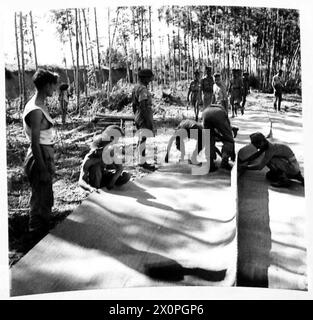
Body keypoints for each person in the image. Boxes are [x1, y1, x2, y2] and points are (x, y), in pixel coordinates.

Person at [23, 68, 59, 237]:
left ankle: (43, 233)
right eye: (53, 85)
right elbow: (35, 142)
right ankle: (36, 236)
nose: (55, 89)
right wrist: (43, 168)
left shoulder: (39, 105)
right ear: (46, 85)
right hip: (39, 157)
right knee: (39, 200)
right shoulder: (36, 110)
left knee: (45, 197)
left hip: (44, 155)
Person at [165, 118, 238, 169]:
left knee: (207, 141)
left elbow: (171, 141)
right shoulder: (183, 127)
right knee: (207, 141)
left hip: (195, 128)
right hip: (198, 128)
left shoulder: (180, 129)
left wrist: (167, 156)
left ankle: (194, 158)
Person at [239, 132, 304, 188]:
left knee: (269, 160)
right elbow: (257, 154)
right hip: (293, 167)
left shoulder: (271, 149)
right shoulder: (266, 145)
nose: (256, 147)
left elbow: (260, 166)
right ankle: (297, 176)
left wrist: (245, 167)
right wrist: (244, 160)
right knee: (269, 175)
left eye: (256, 145)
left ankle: (284, 180)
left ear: (261, 142)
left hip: (292, 167)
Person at [78, 125, 130, 192]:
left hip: (105, 177)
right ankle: (97, 189)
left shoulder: (110, 151)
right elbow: (81, 181)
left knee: (126, 176)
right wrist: (90, 188)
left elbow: (120, 168)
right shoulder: (90, 158)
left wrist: (111, 183)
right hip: (94, 181)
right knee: (96, 168)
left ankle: (105, 186)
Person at [131, 68, 156, 171]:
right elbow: (143, 105)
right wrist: (147, 120)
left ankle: (140, 160)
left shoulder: (136, 87)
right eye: (149, 78)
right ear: (145, 78)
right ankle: (142, 162)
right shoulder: (142, 89)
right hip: (143, 115)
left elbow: (133, 105)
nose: (150, 80)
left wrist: (136, 116)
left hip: (138, 114)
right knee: (143, 139)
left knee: (141, 138)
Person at [202, 105, 235, 171]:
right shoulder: (222, 111)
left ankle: (210, 164)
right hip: (218, 114)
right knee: (228, 140)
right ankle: (224, 162)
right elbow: (228, 130)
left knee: (209, 140)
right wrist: (233, 155)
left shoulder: (212, 107)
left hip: (205, 113)